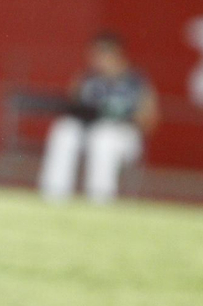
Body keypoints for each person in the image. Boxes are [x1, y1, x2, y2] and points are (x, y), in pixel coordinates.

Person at [38, 32, 158, 204]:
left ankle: (100, 200)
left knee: (104, 137)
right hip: (89, 128)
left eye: (101, 54)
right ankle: (53, 195)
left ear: (115, 53)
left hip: (122, 134)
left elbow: (150, 119)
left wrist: (124, 119)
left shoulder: (136, 81)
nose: (96, 60)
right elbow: (72, 105)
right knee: (65, 129)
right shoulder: (87, 78)